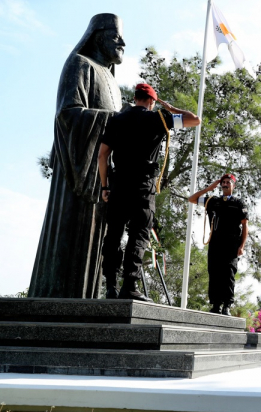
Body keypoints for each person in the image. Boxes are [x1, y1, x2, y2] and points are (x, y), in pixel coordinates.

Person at [30, 14, 125, 298]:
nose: (122, 42)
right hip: (76, 169)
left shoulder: (110, 78)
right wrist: (115, 121)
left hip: (102, 173)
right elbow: (67, 114)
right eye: (115, 35)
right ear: (98, 36)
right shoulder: (79, 65)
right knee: (71, 239)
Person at [99, 83, 201, 300]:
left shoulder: (116, 120)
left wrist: (105, 186)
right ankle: (129, 286)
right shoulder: (160, 118)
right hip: (142, 186)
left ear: (135, 98)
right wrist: (171, 108)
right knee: (139, 234)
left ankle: (110, 285)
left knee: (114, 233)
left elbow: (102, 155)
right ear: (152, 101)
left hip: (119, 184)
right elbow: (195, 119)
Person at [189, 174, 249, 314]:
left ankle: (227, 305)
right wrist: (209, 188)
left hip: (232, 243)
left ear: (233, 185)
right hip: (215, 242)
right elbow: (191, 199)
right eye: (223, 182)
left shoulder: (239, 204)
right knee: (214, 273)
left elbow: (245, 225)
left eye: (228, 182)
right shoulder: (212, 201)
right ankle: (215, 304)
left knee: (228, 274)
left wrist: (242, 246)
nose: (225, 184)